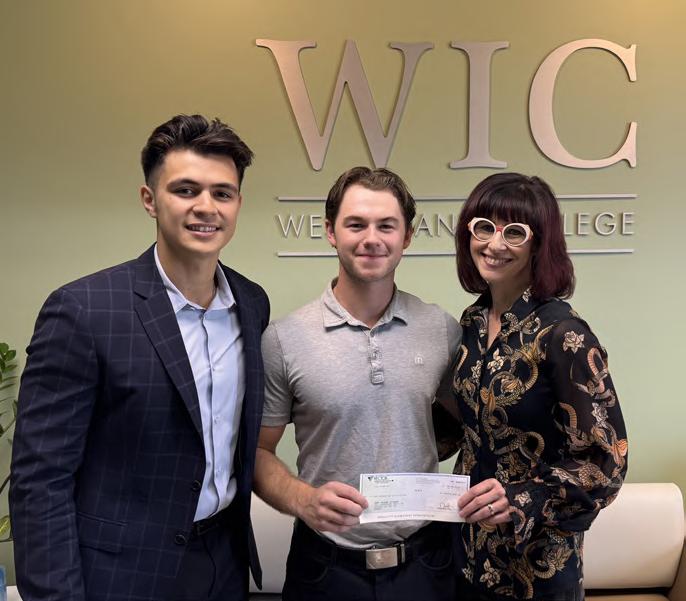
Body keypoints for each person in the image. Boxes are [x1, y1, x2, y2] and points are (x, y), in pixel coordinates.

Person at [10, 114, 270, 601]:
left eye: (222, 193)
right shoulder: (84, 310)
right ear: (149, 199)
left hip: (223, 564)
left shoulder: (252, 303)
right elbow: (40, 481)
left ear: (238, 203)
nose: (206, 207)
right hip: (120, 576)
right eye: (186, 190)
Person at [254, 166, 462, 601]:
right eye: (356, 224)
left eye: (386, 225)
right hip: (325, 568)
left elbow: (474, 430)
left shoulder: (441, 330)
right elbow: (257, 453)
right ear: (331, 232)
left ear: (407, 236)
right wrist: (302, 499)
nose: (371, 238)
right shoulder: (283, 340)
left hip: (427, 564)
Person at [434, 172, 628, 601]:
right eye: (484, 227)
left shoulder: (565, 335)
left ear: (539, 244)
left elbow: (606, 464)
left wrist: (520, 498)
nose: (495, 244)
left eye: (514, 233)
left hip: (537, 569)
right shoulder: (473, 321)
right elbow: (456, 423)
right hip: (467, 554)